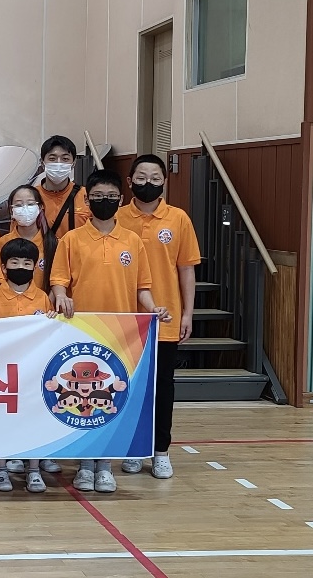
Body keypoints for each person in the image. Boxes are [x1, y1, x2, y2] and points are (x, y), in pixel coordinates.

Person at [50, 169, 171, 494]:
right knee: (81, 398)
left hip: (120, 331)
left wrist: (154, 308)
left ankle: (104, 465)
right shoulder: (71, 240)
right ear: (87, 201)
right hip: (81, 330)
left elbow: (143, 287)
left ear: (120, 199)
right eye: (98, 197)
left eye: (111, 197)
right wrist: (61, 296)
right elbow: (59, 281)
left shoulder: (132, 241)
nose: (104, 201)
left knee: (108, 398)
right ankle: (83, 464)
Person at [117, 154, 200, 480]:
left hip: (164, 318)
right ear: (129, 182)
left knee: (162, 386)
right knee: (127, 386)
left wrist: (187, 314)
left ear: (164, 181)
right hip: (125, 319)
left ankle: (161, 451)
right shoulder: (117, 217)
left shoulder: (178, 219)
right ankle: (134, 448)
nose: (147, 183)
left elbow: (186, 270)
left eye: (154, 178)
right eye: (141, 177)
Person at [0, 185, 64, 476]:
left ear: (40, 207)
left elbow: (58, 279)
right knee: (7, 407)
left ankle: (39, 455)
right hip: (6, 355)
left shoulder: (52, 242)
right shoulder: (2, 242)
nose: (24, 209)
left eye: (29, 203)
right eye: (17, 204)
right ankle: (8, 456)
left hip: (36, 341)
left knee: (37, 404)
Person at [0, 237, 57, 493]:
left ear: (35, 266)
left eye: (27, 263)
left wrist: (52, 320)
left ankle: (33, 469)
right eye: (14, 262)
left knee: (34, 418)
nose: (21, 267)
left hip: (33, 371)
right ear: (3, 267)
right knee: (0, 420)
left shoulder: (43, 299)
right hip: (3, 372)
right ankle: (1, 468)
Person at [36, 135, 91, 239]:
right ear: (42, 163)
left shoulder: (86, 195)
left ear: (74, 163)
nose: (58, 163)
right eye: (52, 159)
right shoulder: (31, 197)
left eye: (65, 159)